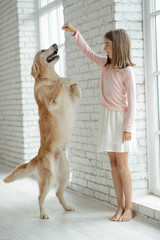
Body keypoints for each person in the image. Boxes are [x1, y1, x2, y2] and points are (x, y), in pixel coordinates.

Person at [62, 23, 136, 222]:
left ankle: (129, 208)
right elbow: (88, 52)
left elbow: (133, 102)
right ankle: (119, 206)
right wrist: (77, 33)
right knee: (112, 164)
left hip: (120, 119)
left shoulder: (127, 71)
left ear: (118, 46)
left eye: (107, 44)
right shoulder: (105, 64)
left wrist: (128, 128)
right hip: (106, 118)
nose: (104, 48)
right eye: (104, 44)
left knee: (122, 165)